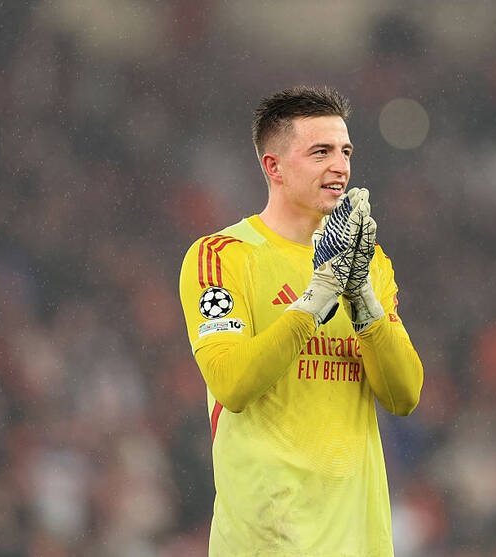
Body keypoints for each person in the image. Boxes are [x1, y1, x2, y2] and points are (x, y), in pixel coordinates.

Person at [178, 85, 424, 556]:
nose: (340, 166)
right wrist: (317, 297)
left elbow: (404, 395)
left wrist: (362, 300)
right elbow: (232, 384)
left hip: (359, 543)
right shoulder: (222, 256)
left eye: (345, 152)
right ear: (274, 167)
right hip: (268, 544)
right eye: (321, 152)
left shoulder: (369, 263)